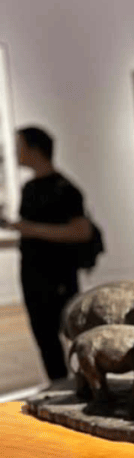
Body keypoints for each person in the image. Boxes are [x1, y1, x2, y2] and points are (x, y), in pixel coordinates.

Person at [0, 127, 92, 386]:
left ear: (34, 149)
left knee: (72, 332)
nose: (16, 152)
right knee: (44, 336)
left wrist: (30, 229)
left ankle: (87, 384)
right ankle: (60, 387)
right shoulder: (30, 187)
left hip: (59, 274)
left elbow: (81, 231)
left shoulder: (65, 189)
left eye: (19, 146)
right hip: (33, 274)